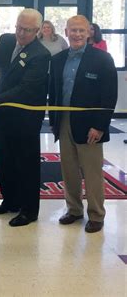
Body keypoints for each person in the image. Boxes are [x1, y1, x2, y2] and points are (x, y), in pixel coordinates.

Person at [0, 8, 50, 227]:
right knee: (5, 161)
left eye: (27, 30)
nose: (21, 33)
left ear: (38, 31)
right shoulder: (6, 41)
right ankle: (10, 201)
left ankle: (29, 210)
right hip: (3, 115)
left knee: (26, 164)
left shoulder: (41, 55)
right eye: (18, 27)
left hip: (26, 119)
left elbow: (26, 89)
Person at [49, 15, 118, 233]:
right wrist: (53, 121)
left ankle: (96, 214)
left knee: (92, 171)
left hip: (91, 126)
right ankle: (74, 210)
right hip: (64, 121)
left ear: (89, 32)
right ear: (66, 32)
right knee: (68, 169)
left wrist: (100, 126)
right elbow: (54, 91)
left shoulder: (102, 59)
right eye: (73, 30)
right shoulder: (58, 59)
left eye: (81, 31)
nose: (77, 34)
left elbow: (109, 96)